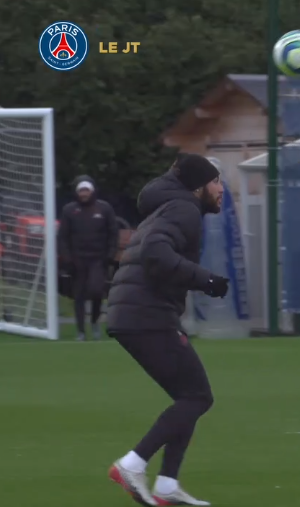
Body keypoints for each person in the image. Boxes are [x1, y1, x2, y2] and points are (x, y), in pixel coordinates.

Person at [105, 154, 229, 506]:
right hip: (146, 317)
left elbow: (157, 257)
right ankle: (132, 464)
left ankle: (167, 485)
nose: (222, 189)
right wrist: (206, 280)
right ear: (199, 186)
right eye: (217, 181)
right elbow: (157, 255)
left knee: (188, 397)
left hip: (137, 315)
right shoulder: (184, 209)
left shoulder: (171, 208)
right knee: (197, 397)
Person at [57, 176, 119, 340]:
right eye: (81, 191)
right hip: (77, 260)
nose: (84, 194)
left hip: (98, 259)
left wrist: (110, 254)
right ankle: (81, 331)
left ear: (92, 191)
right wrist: (67, 258)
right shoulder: (69, 210)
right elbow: (63, 236)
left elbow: (113, 233)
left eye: (86, 190)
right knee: (78, 295)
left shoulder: (104, 208)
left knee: (97, 291)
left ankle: (94, 322)